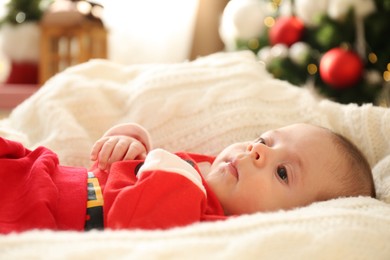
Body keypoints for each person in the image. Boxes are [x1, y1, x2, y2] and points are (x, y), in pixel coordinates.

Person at [0, 122, 376, 234]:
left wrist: (166, 169)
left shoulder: (211, 225)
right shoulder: (211, 170)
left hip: (32, 211)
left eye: (282, 172)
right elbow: (123, 167)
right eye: (264, 141)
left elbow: (131, 225)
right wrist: (131, 140)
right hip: (38, 168)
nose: (257, 151)